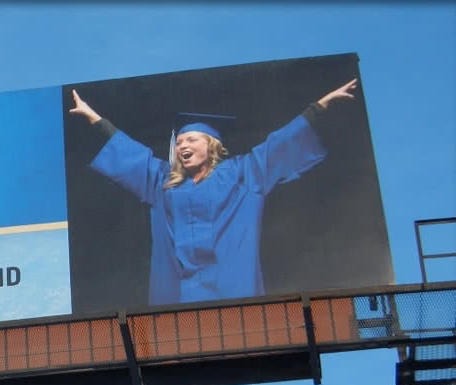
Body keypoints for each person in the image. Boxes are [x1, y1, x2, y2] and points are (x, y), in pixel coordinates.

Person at [68, 79, 359, 305]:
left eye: (191, 139)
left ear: (212, 145)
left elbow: (279, 144)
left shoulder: (243, 174)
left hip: (232, 288)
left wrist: (319, 106)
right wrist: (94, 118)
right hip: (179, 295)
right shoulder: (164, 183)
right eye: (179, 142)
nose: (182, 146)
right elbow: (132, 154)